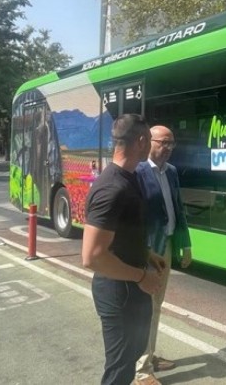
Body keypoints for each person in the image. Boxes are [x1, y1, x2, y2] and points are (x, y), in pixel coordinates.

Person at [82, 113, 167, 385]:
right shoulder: (112, 187)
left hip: (131, 289)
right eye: (152, 140)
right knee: (118, 370)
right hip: (119, 293)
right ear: (142, 141)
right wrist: (142, 277)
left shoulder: (129, 177)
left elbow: (123, 234)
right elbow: (92, 257)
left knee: (131, 357)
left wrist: (147, 256)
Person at [134, 125, 192, 384]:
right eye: (163, 143)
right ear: (149, 142)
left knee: (156, 305)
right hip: (147, 250)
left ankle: (149, 354)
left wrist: (185, 244)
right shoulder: (137, 172)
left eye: (171, 144)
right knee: (144, 307)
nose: (167, 148)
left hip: (166, 245)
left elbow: (178, 208)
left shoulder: (171, 172)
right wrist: (141, 251)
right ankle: (141, 370)